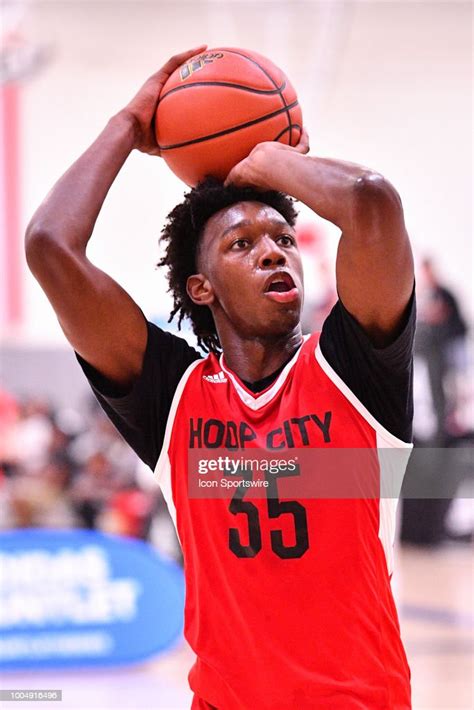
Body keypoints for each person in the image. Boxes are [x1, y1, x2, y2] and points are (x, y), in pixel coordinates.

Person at [25, 47, 416, 710]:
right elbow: (49, 247)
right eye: (242, 243)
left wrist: (266, 161)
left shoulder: (353, 371)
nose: (272, 248)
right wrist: (130, 120)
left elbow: (373, 203)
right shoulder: (174, 399)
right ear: (201, 288)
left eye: (281, 238)